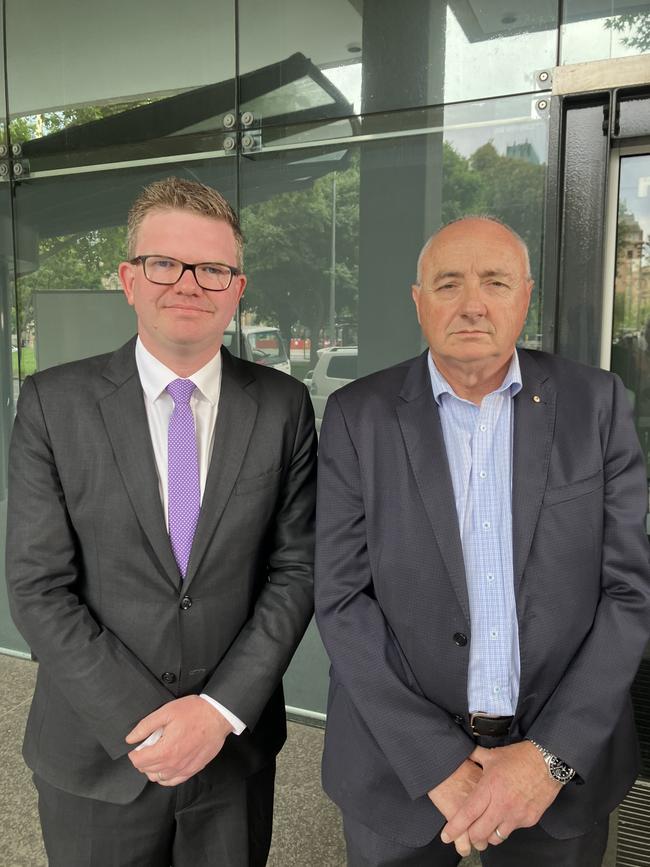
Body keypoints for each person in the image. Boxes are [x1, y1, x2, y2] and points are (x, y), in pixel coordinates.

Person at [315, 216, 650, 866]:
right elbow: (340, 598)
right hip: (398, 769)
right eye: (448, 284)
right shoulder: (359, 416)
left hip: (555, 774)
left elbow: (628, 595)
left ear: (526, 295)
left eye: (494, 282)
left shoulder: (597, 403)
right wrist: (434, 760)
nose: (472, 303)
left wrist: (549, 756)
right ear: (418, 301)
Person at [6, 176, 317, 867]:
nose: (188, 283)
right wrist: (141, 724)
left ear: (238, 285)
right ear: (129, 277)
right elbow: (37, 584)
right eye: (163, 263)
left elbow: (296, 570)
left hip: (230, 754)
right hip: (95, 757)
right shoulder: (54, 404)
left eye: (212, 268)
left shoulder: (284, 405)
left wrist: (218, 712)